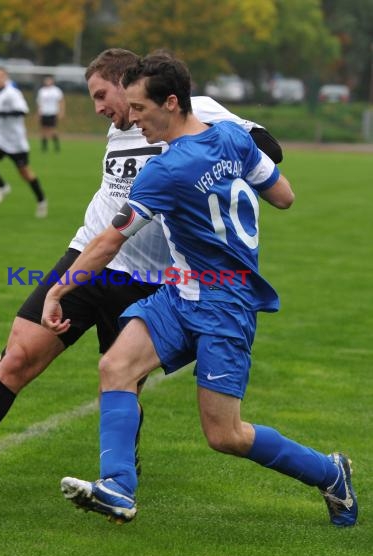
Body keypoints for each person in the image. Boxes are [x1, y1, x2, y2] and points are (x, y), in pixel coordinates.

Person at [0, 49, 282, 476]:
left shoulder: (196, 112)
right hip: (90, 255)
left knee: (123, 379)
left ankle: (119, 481)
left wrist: (221, 156)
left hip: (153, 277)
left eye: (102, 96)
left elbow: (267, 150)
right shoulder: (121, 125)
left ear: (127, 84)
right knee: (17, 357)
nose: (98, 108)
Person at [41, 53, 358, 527]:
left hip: (224, 305)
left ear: (171, 103)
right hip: (182, 292)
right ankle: (118, 487)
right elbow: (284, 196)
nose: (132, 118)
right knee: (116, 365)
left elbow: (109, 240)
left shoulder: (164, 172)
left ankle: (331, 473)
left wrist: (57, 290)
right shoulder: (231, 137)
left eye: (140, 109)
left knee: (224, 434)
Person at [0, 67, 48, 217]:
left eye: (1, 76)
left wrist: (0, 113)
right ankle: (2, 186)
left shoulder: (13, 93)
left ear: (6, 78)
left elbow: (23, 111)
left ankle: (41, 200)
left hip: (16, 141)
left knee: (25, 174)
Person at [36, 76, 65, 153]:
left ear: (52, 81)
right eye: (46, 80)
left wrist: (61, 111)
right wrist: (38, 113)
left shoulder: (56, 91)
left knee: (53, 130)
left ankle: (56, 146)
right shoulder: (42, 91)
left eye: (49, 80)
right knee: (44, 130)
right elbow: (39, 103)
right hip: (44, 113)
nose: (48, 82)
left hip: (53, 112)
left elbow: (61, 101)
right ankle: (44, 148)